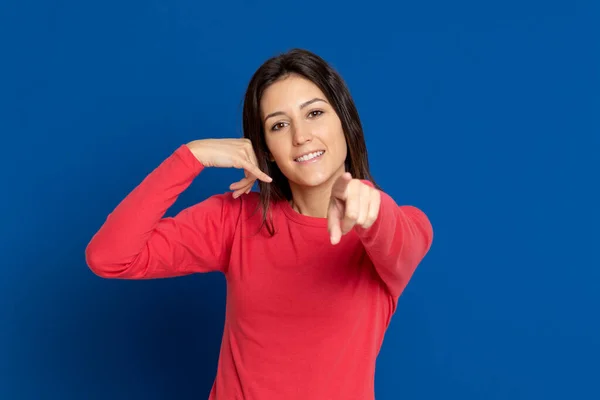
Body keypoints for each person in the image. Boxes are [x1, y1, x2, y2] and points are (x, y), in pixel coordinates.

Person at [85, 48, 434, 400]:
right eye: (279, 125)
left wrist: (371, 211)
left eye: (314, 113)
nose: (301, 137)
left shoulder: (396, 229)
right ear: (265, 148)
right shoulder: (236, 219)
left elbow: (397, 238)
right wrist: (190, 156)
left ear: (345, 122)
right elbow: (109, 257)